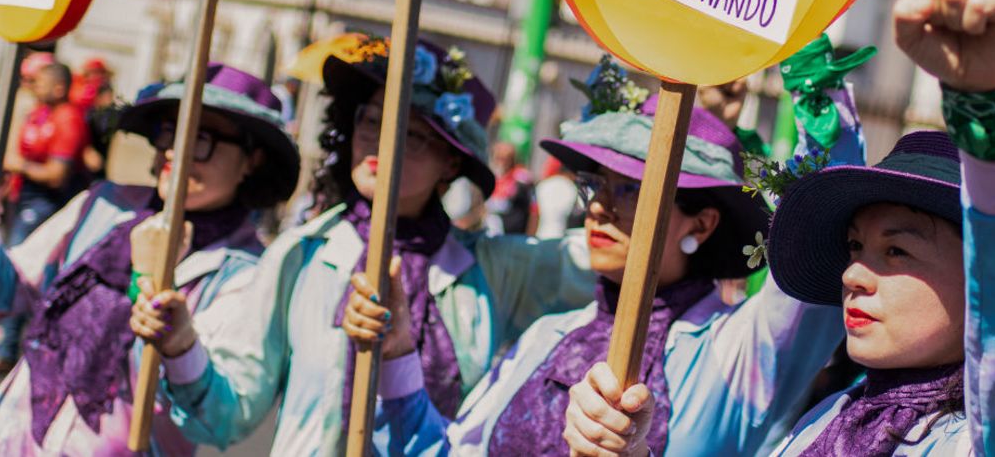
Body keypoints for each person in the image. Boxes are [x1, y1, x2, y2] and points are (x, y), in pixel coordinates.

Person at [565, 0, 995, 455]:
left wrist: (991, 113)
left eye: (897, 249)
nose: (855, 274)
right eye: (855, 247)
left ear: (987, 281)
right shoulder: (831, 416)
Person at [357, 53, 858, 455]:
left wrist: (813, 80)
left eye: (631, 191)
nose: (598, 207)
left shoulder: (737, 351)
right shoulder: (548, 335)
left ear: (701, 223)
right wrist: (399, 351)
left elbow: (826, 238)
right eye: (595, 185)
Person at [130, 35, 592, 454]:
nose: (379, 140)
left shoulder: (492, 268)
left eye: (409, 134)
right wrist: (181, 347)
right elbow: (228, 416)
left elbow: (608, 261)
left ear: (451, 162)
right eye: (371, 120)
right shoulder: (300, 254)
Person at [0, 63, 299, 455]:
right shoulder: (104, 203)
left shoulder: (246, 273)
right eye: (169, 132)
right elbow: (12, 291)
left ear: (252, 159)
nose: (174, 150)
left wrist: (180, 346)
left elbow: (222, 418)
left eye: (200, 138)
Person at [0, 62, 89, 370]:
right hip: (21, 197)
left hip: (45, 203)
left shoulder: (68, 119)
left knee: (18, 274)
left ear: (58, 88)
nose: (33, 86)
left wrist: (18, 165)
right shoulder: (39, 112)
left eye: (39, 82)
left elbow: (56, 174)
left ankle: (7, 350)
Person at [485, 141, 534, 235]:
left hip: (516, 237)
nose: (502, 162)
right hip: (492, 235)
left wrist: (529, 237)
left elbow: (534, 211)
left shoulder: (523, 179)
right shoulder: (490, 177)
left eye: (506, 158)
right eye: (499, 158)